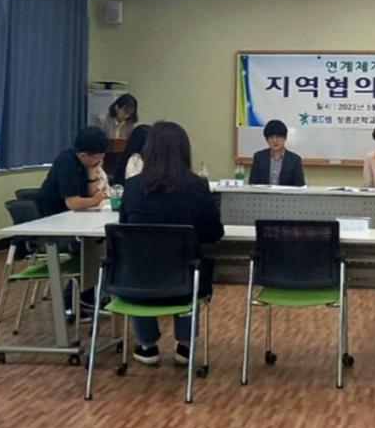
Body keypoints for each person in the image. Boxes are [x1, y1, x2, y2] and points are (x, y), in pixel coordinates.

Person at [119, 121, 224, 365]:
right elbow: (213, 233)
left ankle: (147, 344)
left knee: (138, 261)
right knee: (193, 265)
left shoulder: (132, 187)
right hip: (184, 281)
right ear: (184, 150)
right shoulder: (197, 186)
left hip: (137, 282)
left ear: (149, 150)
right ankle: (185, 345)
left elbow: (126, 231)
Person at [35, 126, 109, 217]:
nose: (100, 161)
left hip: (70, 214)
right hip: (52, 216)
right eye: (98, 158)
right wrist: (96, 200)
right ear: (83, 155)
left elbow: (91, 194)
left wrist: (92, 173)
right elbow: (73, 203)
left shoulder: (86, 164)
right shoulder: (67, 162)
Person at [248, 119, 305, 186]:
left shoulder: (295, 160)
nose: (275, 141)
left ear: (285, 138)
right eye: (271, 137)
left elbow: (300, 186)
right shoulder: (259, 157)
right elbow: (252, 184)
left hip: (285, 193)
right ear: (266, 139)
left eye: (278, 137)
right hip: (263, 193)